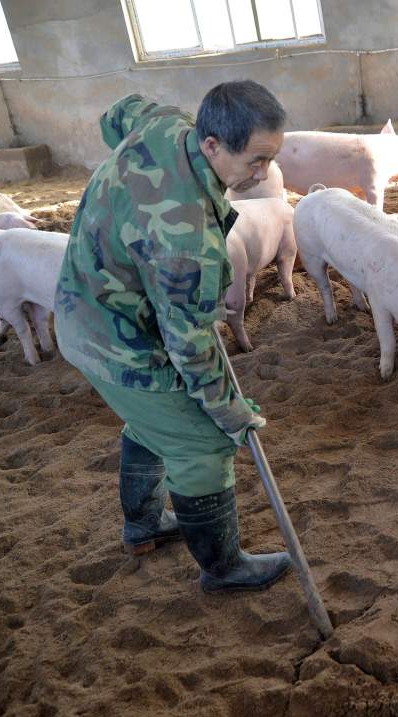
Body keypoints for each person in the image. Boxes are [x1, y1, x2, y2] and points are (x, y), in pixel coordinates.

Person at [54, 81, 291, 592]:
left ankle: (144, 525)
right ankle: (223, 569)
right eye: (254, 161)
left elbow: (117, 112)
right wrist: (233, 417)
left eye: (271, 158)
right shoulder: (186, 240)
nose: (263, 174)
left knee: (158, 420)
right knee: (201, 443)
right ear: (211, 144)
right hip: (116, 340)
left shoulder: (165, 121)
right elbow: (191, 346)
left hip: (87, 306)